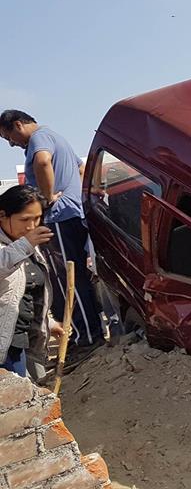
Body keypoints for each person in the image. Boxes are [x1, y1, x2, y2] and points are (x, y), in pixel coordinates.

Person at [0, 110, 103, 350]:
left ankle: (86, 338)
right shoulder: (57, 136)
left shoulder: (39, 139)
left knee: (68, 278)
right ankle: (89, 333)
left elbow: (43, 161)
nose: (12, 144)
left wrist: (46, 199)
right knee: (76, 276)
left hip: (58, 218)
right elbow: (81, 169)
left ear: (18, 124)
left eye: (9, 138)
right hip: (73, 214)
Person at [0, 185, 61, 379]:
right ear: (2, 215)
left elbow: (25, 292)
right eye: (24, 219)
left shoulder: (26, 246)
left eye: (37, 218)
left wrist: (47, 322)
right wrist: (25, 244)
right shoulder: (20, 245)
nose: (31, 226)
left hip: (25, 340)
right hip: (6, 345)